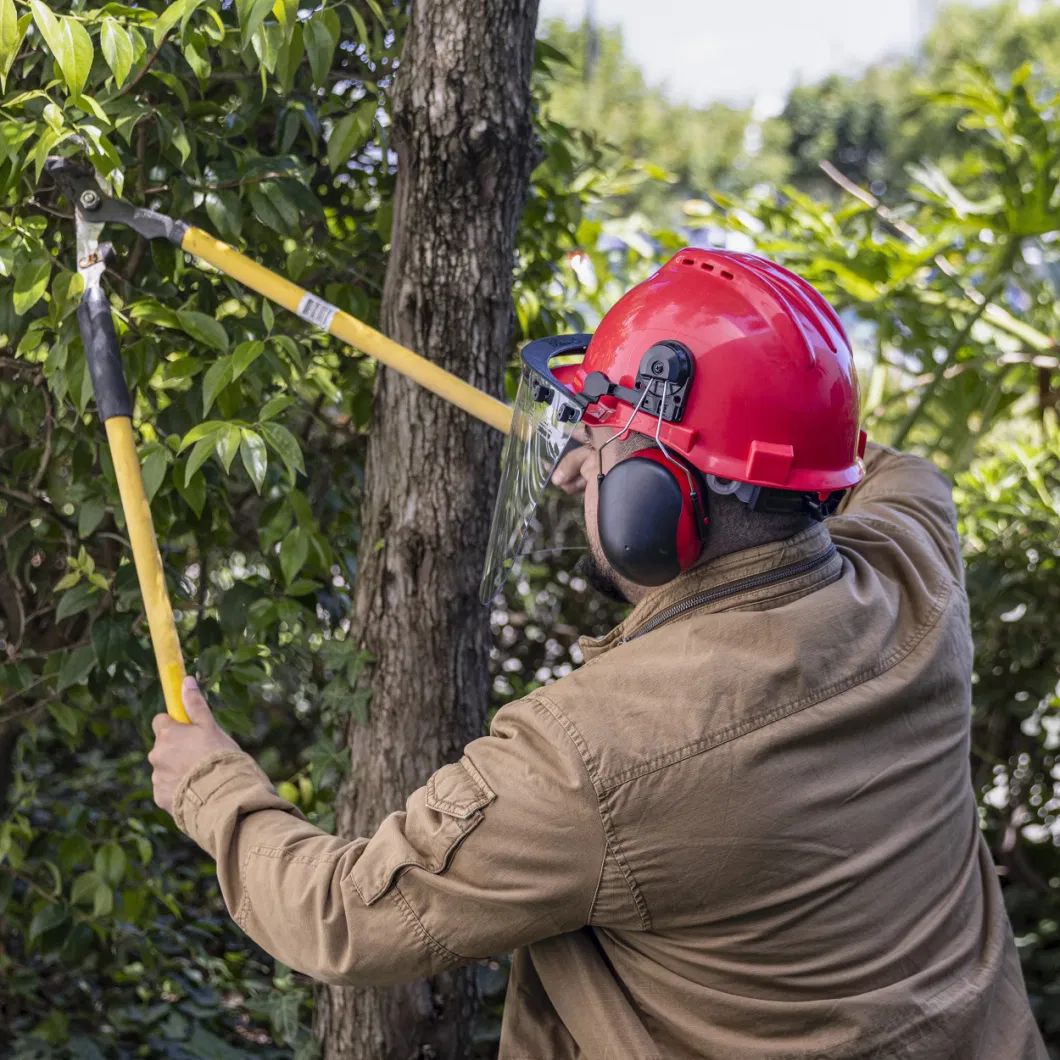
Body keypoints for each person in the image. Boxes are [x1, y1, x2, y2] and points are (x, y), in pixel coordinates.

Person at [149, 249, 1047, 1059]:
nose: (573, 467)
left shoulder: (595, 756)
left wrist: (210, 782)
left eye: (600, 447)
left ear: (654, 508)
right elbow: (869, 460)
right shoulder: (916, 570)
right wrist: (671, 419)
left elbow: (341, 916)